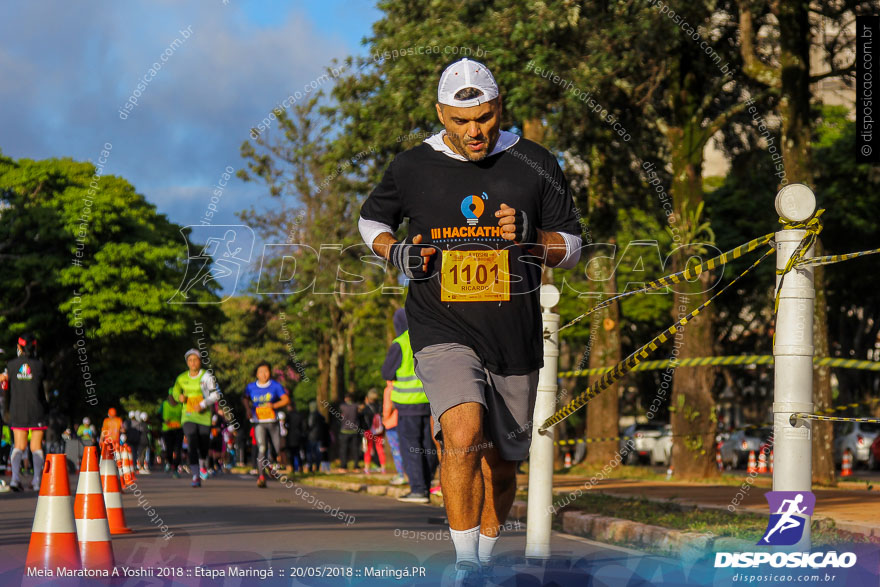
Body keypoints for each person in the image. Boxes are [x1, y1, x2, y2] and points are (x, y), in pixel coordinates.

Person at [358, 58, 582, 579]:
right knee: (461, 435)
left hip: (513, 332)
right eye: (460, 121)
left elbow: (571, 246)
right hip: (440, 326)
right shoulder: (413, 166)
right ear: (441, 114)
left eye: (484, 117)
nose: (474, 131)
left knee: (503, 468)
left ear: (499, 108)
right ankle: (465, 569)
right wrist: (396, 254)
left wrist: (531, 237)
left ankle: (483, 555)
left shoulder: (536, 161)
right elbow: (372, 219)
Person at [381, 308, 437, 503]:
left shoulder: (400, 343)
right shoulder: (428, 336)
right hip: (430, 402)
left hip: (407, 405)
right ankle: (427, 484)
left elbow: (387, 373)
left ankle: (419, 490)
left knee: (411, 447)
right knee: (428, 445)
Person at [0, 334, 50, 491]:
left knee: (19, 445)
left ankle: (15, 480)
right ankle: (36, 481)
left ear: (19, 347)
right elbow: (47, 389)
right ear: (34, 346)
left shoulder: (12, 365)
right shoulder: (40, 365)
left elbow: (4, 382)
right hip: (37, 410)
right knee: (36, 446)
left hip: (17, 410)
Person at [169, 349, 221, 487]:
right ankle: (195, 475)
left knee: (204, 443)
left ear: (200, 361)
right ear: (187, 362)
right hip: (188, 415)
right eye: (190, 360)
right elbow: (175, 391)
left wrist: (203, 403)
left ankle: (203, 464)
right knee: (191, 441)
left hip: (204, 416)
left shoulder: (206, 376)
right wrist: (178, 397)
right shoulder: (181, 378)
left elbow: (216, 395)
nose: (193, 362)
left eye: (195, 359)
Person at [243, 361, 290, 488]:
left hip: (272, 422)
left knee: (276, 447)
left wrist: (274, 405)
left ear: (270, 372)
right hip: (258, 422)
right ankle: (261, 476)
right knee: (262, 448)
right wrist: (248, 409)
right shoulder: (251, 387)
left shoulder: (275, 386)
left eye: (266, 371)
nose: (264, 374)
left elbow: (286, 399)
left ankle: (271, 464)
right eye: (261, 372)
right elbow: (245, 398)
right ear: (257, 374)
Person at [382, 380, 407, 485]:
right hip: (404, 421)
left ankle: (401, 475)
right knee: (406, 449)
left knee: (396, 450)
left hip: (392, 423)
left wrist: (384, 419)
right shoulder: (403, 385)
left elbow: (387, 407)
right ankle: (409, 474)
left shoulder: (389, 389)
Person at [360, 389, 386, 474]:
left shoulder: (366, 408)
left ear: (368, 398)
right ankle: (383, 468)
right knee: (380, 449)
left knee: (368, 449)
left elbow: (362, 420)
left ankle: (367, 468)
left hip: (368, 430)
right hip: (378, 431)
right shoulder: (380, 406)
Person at [336, 394, 361, 472]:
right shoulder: (356, 406)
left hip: (344, 430)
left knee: (344, 449)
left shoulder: (342, 407)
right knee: (355, 449)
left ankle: (343, 467)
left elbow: (338, 418)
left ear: (345, 399)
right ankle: (356, 466)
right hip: (354, 430)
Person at [161, 392, 183, 477]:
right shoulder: (165, 404)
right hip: (167, 431)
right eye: (171, 397)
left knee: (177, 450)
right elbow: (158, 415)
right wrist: (163, 421)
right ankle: (170, 463)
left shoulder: (181, 405)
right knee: (169, 450)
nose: (172, 398)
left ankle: (175, 468)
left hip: (178, 430)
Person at [306, 401, 329, 473]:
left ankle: (310, 467)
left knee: (310, 452)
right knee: (318, 452)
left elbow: (310, 425)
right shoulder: (320, 415)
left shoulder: (311, 415)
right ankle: (317, 467)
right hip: (319, 436)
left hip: (312, 437)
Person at [284, 405, 305, 473]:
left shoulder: (288, 415)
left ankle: (293, 468)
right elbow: (303, 426)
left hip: (290, 437)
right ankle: (300, 467)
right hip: (298, 436)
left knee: (291, 454)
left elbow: (285, 425)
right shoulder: (299, 415)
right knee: (298, 453)